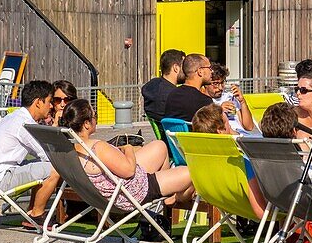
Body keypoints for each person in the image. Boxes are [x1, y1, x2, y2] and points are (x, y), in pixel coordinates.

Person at [59, 98, 192, 211]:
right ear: (87, 124)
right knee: (191, 172)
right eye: (95, 116)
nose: (96, 120)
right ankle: (171, 198)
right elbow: (129, 171)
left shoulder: (68, 150)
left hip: (113, 191)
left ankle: (166, 195)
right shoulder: (97, 147)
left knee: (160, 146)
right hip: (133, 192)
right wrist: (128, 149)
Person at [0, 80, 60, 218]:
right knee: (54, 170)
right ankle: (37, 214)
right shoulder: (25, 124)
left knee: (41, 166)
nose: (51, 106)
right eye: (49, 101)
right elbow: (46, 154)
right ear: (38, 102)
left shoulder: (15, 117)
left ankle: (32, 211)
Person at [162, 54, 214, 122]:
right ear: (200, 71)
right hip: (194, 132)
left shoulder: (172, 94)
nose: (212, 71)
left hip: (174, 132)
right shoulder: (204, 101)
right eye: (209, 68)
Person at [142, 48, 184, 124]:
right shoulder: (173, 96)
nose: (186, 70)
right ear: (176, 68)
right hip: (176, 133)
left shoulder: (152, 87)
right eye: (184, 66)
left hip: (164, 132)